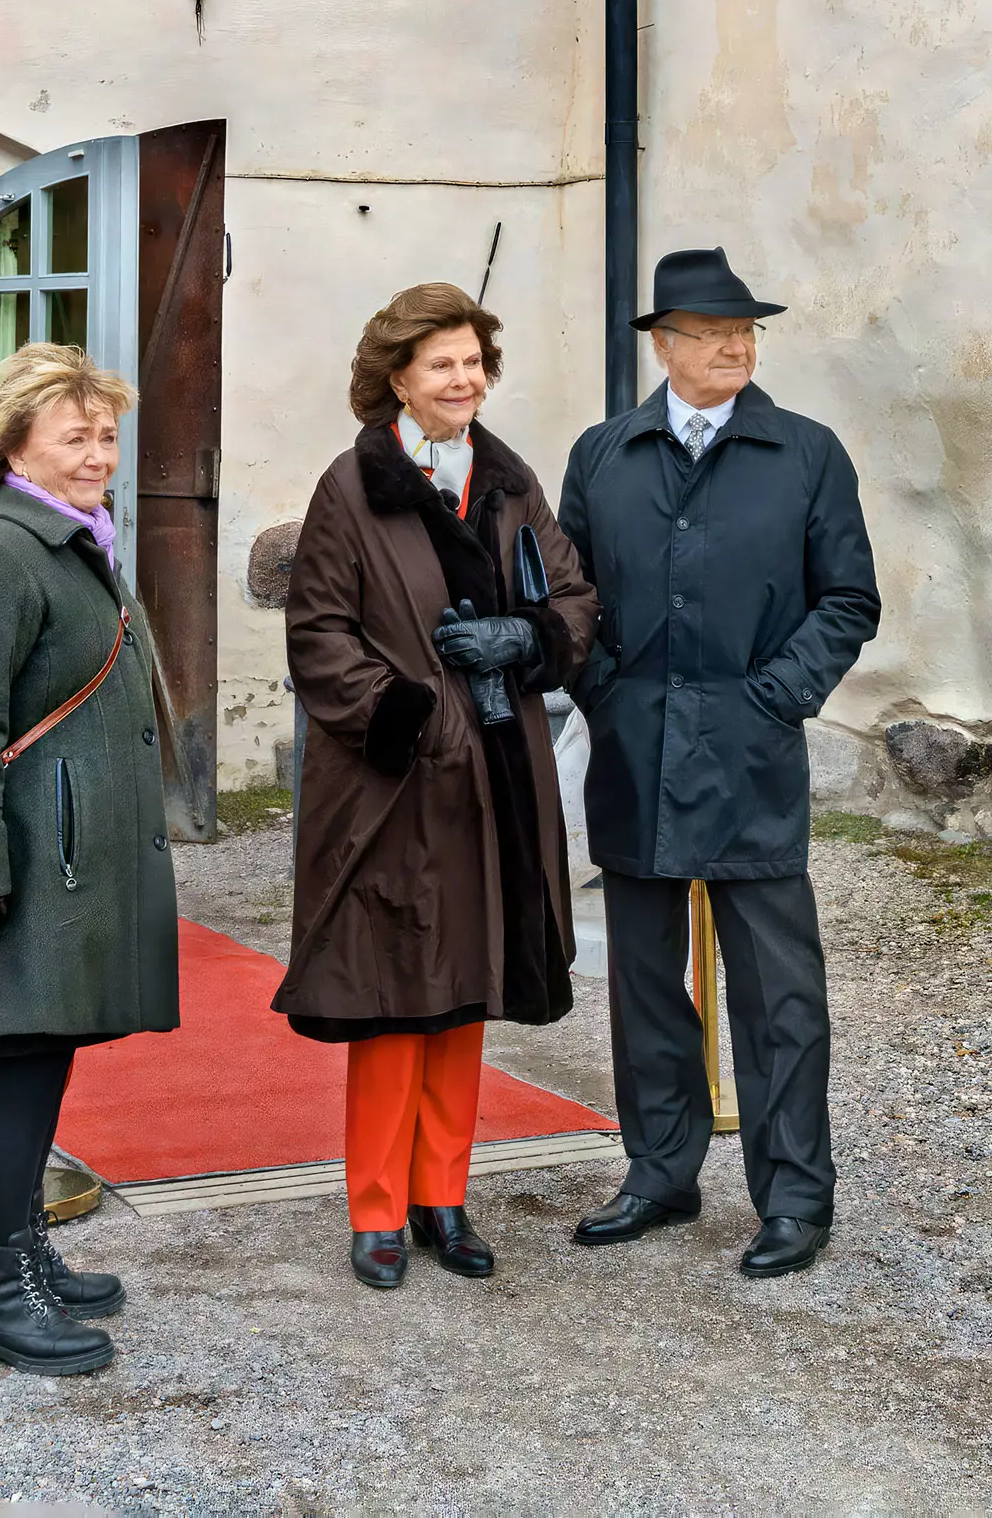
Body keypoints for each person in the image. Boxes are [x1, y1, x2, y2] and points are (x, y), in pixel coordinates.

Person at [552, 248, 878, 1278]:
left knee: (779, 989)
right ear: (663, 344)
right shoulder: (604, 454)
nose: (735, 345)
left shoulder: (806, 453)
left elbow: (847, 600)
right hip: (635, 751)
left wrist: (773, 697)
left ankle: (793, 1195)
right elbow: (571, 596)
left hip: (750, 754)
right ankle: (658, 1170)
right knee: (645, 977)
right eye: (710, 330)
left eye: (745, 330)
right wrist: (606, 689)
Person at [275, 284, 600, 1290]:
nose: (464, 379)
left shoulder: (507, 480)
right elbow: (319, 634)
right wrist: (410, 715)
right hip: (393, 782)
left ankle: (443, 1199)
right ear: (396, 380)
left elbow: (577, 597)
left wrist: (528, 636)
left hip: (498, 774)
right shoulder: (350, 486)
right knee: (389, 997)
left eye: (473, 361)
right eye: (442, 364)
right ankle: (375, 1209)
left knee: (463, 989)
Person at [0, 341, 180, 1378]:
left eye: (106, 435)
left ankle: (25, 1250)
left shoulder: (75, 542)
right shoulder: (0, 553)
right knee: (20, 1073)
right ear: (16, 442)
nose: (97, 454)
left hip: (62, 862)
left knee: (44, 1058)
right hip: (25, 864)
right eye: (76, 435)